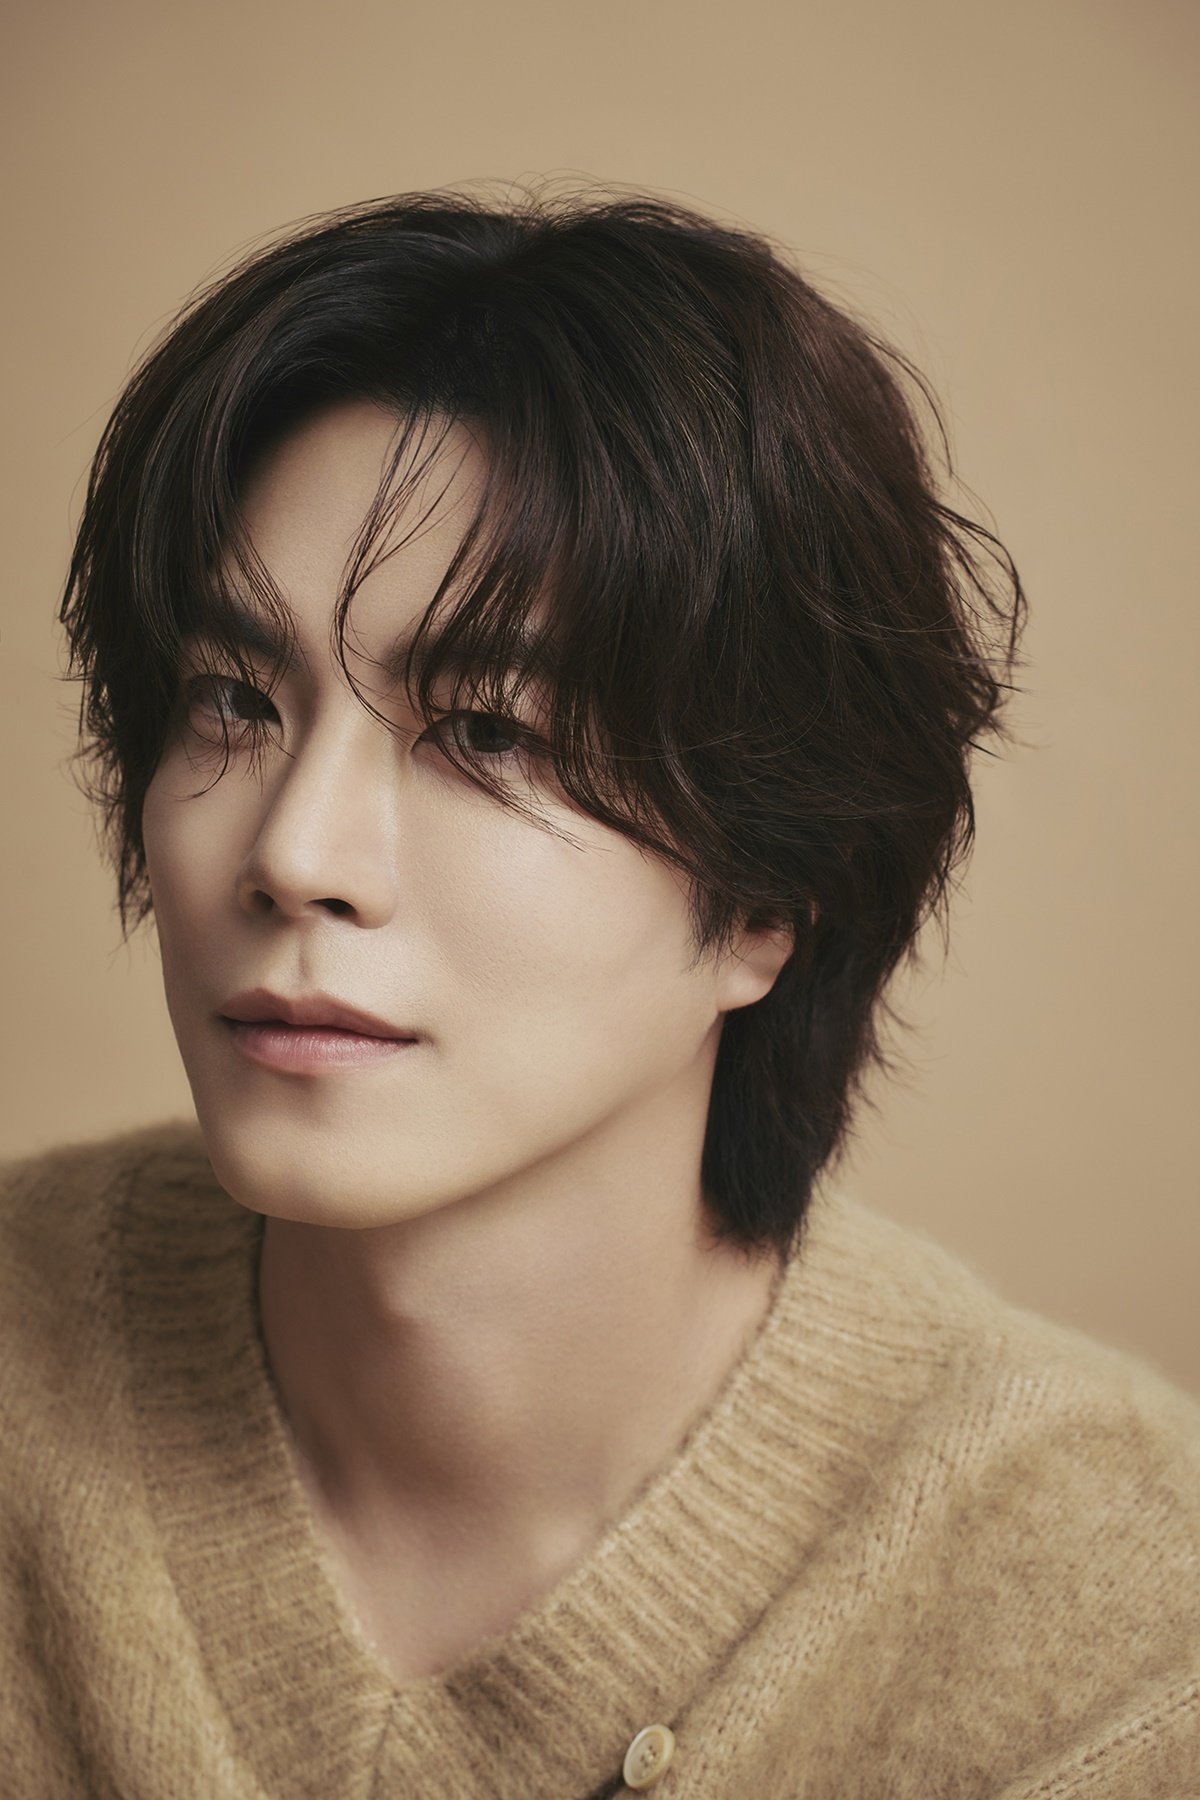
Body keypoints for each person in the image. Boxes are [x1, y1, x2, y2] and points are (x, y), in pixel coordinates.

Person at [2, 187, 1196, 1799]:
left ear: (767, 895)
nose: (293, 853)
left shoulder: (1115, 1627)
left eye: (487, 732)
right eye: (231, 698)